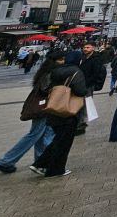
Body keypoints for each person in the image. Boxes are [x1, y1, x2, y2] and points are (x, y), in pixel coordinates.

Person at [0, 52, 59, 173]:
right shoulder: (50, 73)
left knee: (42, 135)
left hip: (43, 108)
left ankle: (41, 163)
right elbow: (45, 89)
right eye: (62, 59)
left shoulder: (44, 70)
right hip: (43, 108)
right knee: (34, 135)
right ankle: (6, 161)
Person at [31, 50, 86, 178]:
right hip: (67, 110)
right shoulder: (76, 71)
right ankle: (54, 169)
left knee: (58, 139)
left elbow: (45, 88)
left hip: (54, 108)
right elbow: (80, 90)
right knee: (63, 142)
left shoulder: (54, 70)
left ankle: (41, 163)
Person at [76, 42, 107, 134]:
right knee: (79, 104)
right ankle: (78, 122)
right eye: (84, 47)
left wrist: (88, 83)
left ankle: (81, 125)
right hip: (80, 84)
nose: (85, 49)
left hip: (88, 85)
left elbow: (95, 73)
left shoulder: (96, 59)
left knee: (85, 104)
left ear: (93, 48)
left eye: (88, 47)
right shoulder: (82, 57)